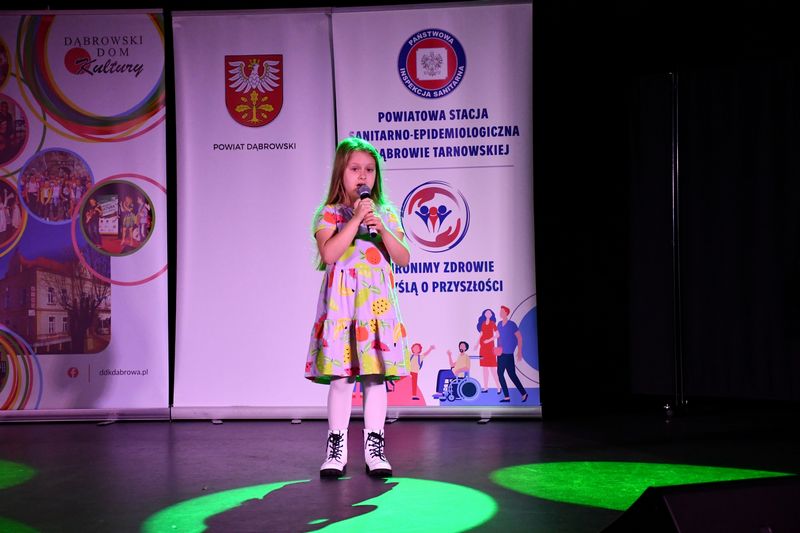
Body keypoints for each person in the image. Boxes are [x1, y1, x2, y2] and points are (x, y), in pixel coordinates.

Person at [305, 137, 410, 478]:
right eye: (354, 169)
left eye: (369, 170)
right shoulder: (329, 213)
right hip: (343, 309)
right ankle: (336, 449)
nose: (363, 176)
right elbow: (330, 253)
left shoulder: (386, 213)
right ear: (341, 172)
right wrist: (355, 219)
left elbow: (403, 258)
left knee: (374, 378)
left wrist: (382, 228)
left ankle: (375, 449)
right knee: (341, 379)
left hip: (376, 309)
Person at [496, 305, 528, 403]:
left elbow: (519, 337)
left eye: (502, 311)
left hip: (508, 353)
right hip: (500, 353)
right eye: (500, 311)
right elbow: (498, 337)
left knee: (500, 373)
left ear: (506, 313)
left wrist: (519, 351)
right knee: (511, 374)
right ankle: (523, 393)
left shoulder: (512, 324)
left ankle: (507, 397)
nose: (500, 313)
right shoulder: (499, 324)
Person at [476, 308, 501, 393]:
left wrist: (489, 340)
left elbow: (497, 335)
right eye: (486, 313)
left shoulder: (493, 323)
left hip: (490, 348)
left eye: (489, 313)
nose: (488, 314)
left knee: (493, 369)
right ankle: (486, 387)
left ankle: (498, 387)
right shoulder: (483, 323)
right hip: (483, 348)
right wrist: (477, 344)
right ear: (484, 314)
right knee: (485, 369)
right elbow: (481, 334)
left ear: (491, 315)